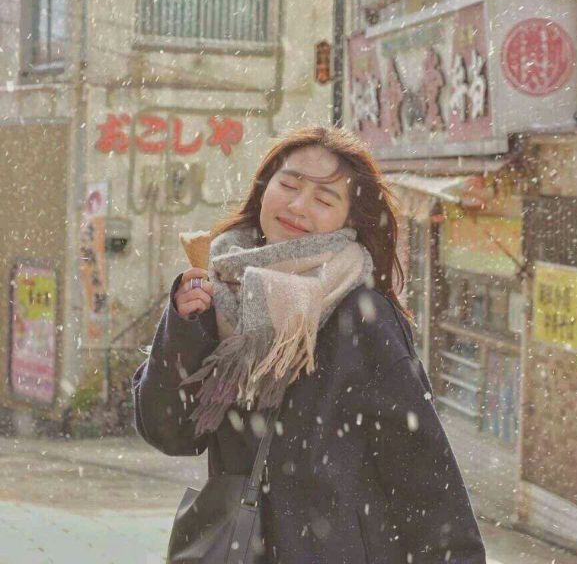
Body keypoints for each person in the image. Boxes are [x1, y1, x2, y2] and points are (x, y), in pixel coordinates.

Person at [133, 126, 486, 563]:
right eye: (290, 184)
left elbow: (423, 474)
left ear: (349, 220)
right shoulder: (219, 294)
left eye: (324, 198)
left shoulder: (362, 316)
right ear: (264, 189)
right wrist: (184, 326)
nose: (299, 206)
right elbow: (171, 432)